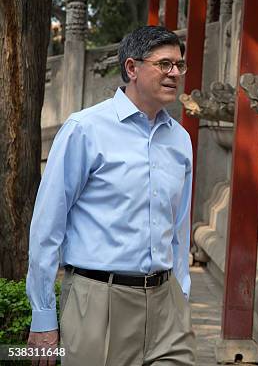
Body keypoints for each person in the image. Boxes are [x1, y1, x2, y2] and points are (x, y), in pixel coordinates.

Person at [26, 25, 196, 366]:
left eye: (179, 65)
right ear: (132, 68)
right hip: (98, 304)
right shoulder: (85, 129)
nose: (175, 73)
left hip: (167, 309)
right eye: (164, 64)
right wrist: (43, 315)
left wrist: (182, 294)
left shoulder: (180, 140)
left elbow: (178, 229)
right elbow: (47, 226)